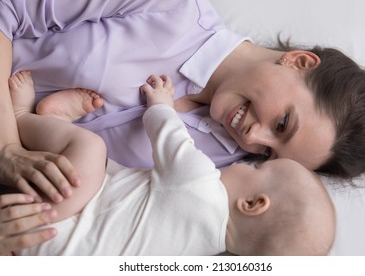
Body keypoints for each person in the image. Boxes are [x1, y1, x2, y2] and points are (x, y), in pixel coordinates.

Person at [0, 0, 365, 206]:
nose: (252, 139)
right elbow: (8, 8)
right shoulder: (169, 7)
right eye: (282, 124)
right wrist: (8, 149)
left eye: (268, 154)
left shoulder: (213, 172)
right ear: (299, 61)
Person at [7, 71, 335, 256]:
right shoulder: (195, 257)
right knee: (113, 178)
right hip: (42, 248)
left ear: (251, 203)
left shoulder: (203, 189)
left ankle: (24, 117)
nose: (244, 160)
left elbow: (170, 138)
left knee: (91, 149)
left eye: (255, 167)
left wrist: (161, 103)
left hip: (53, 217)